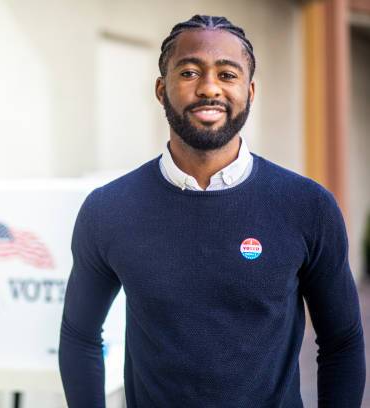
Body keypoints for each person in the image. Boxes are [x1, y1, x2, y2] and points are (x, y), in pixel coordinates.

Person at [58, 15, 366, 407]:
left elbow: (342, 342)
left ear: (250, 91)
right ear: (160, 89)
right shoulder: (109, 210)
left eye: (227, 74)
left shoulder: (307, 207)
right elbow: (79, 335)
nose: (208, 88)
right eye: (189, 72)